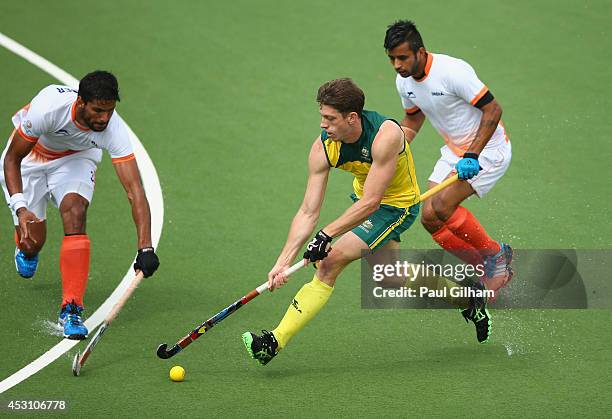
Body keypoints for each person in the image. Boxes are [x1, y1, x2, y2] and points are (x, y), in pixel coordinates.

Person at [241, 78, 490, 366]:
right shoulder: (324, 147)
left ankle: (273, 342)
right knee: (390, 275)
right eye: (322, 117)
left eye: (330, 119)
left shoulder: (385, 135)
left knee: (329, 262)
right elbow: (308, 211)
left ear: (352, 118)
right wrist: (283, 261)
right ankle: (469, 298)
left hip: (394, 206)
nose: (323, 125)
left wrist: (326, 235)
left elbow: (373, 201)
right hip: (363, 202)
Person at [1, 71, 160, 340]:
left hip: (76, 159)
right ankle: (27, 249)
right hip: (31, 159)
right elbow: (12, 159)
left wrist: (145, 247)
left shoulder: (113, 129)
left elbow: (135, 191)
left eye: (109, 111)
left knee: (76, 211)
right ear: (80, 102)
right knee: (32, 242)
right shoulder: (49, 108)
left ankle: (71, 308)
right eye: (98, 110)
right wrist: (20, 207)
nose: (104, 118)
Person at [384, 20, 513, 298]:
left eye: (402, 57)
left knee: (442, 205)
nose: (397, 64)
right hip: (454, 152)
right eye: (392, 58)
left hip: (488, 149)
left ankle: (497, 256)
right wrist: (392, 148)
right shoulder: (403, 81)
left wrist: (472, 155)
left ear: (421, 52)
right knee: (429, 218)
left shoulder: (452, 72)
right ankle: (486, 267)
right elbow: (413, 116)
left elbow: (493, 109)